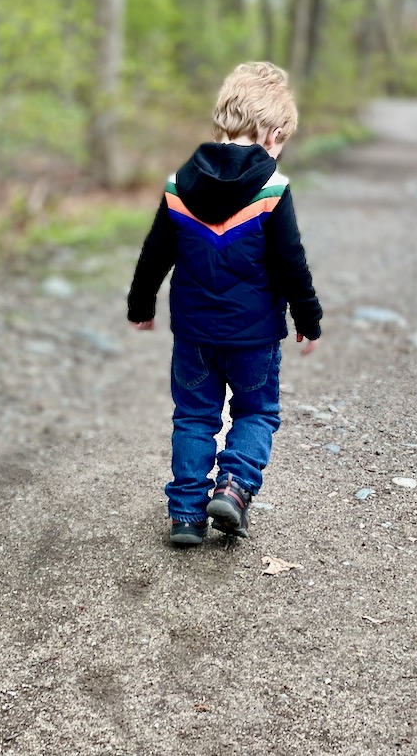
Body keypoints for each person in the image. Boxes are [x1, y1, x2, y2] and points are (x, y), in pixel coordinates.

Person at [127, 62, 322, 546]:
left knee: (194, 416)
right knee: (257, 412)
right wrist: (308, 317)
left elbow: (156, 251)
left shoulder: (179, 184)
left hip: (193, 335)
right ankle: (234, 489)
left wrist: (141, 303)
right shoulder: (272, 189)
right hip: (253, 336)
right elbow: (290, 260)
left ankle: (186, 514)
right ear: (274, 133)